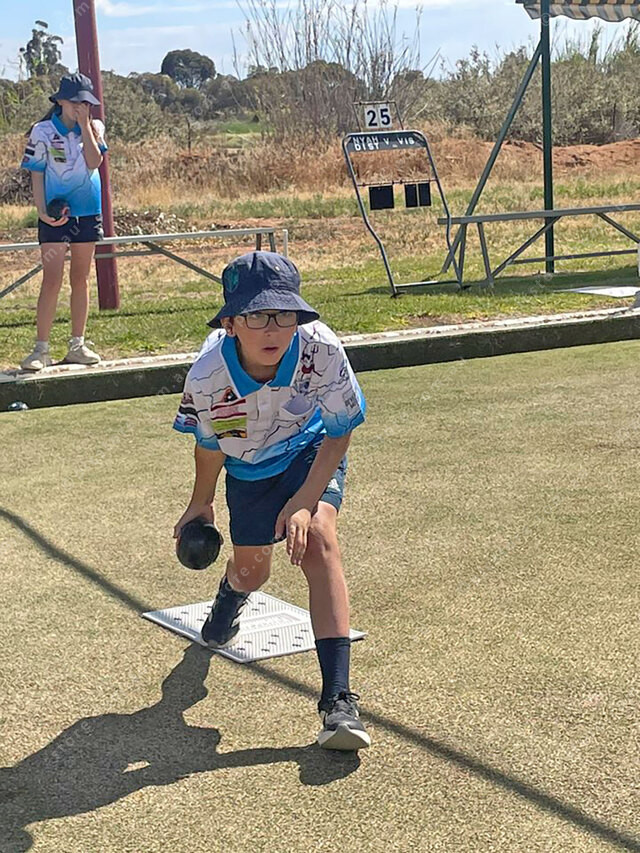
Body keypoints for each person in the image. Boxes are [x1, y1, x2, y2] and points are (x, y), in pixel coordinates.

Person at [173, 251, 370, 751]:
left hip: (310, 449)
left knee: (320, 539)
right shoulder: (207, 376)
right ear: (231, 323)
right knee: (253, 572)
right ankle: (231, 594)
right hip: (249, 467)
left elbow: (339, 433)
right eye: (257, 315)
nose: (273, 329)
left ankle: (338, 702)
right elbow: (210, 446)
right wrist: (201, 503)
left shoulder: (321, 351)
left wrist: (305, 501)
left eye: (284, 315)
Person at [19, 72, 107, 371]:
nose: (81, 107)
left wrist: (85, 127)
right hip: (56, 215)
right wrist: (42, 211)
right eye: (75, 102)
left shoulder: (95, 127)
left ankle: (77, 345)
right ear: (60, 102)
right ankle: (40, 348)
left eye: (86, 103)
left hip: (87, 212)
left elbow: (94, 162)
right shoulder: (42, 131)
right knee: (52, 278)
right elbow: (36, 173)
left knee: (80, 278)